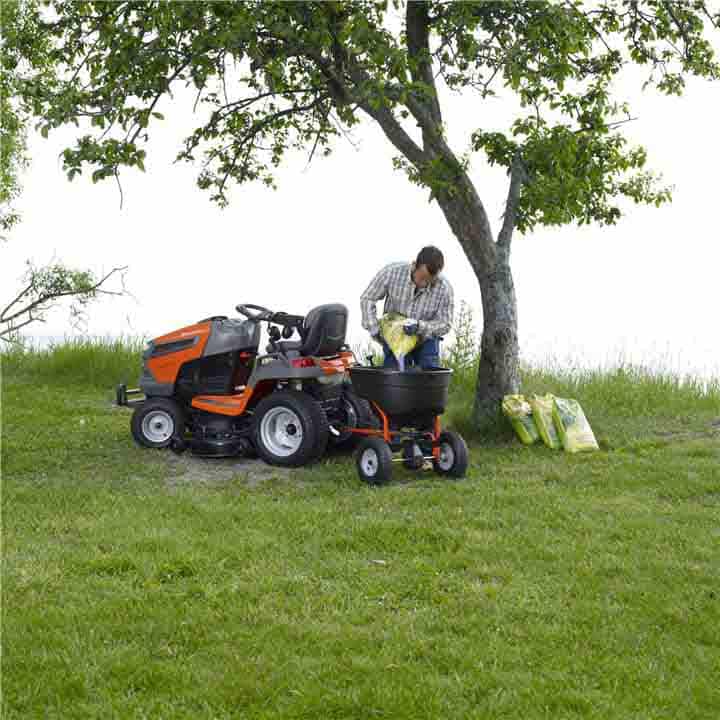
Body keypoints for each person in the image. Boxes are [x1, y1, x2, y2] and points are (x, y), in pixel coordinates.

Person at [360, 246, 454, 370]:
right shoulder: (391, 272)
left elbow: (445, 324)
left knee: (429, 375)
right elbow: (367, 298)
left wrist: (420, 326)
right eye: (422, 278)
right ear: (414, 265)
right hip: (394, 337)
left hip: (425, 339)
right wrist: (374, 329)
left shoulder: (444, 288)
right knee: (394, 376)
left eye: (430, 281)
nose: (424, 284)